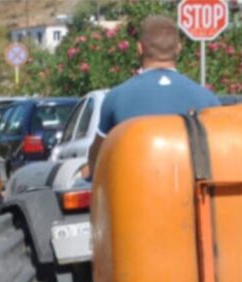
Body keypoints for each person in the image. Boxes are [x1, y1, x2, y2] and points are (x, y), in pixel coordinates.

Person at [88, 15, 221, 175]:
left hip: (135, 195)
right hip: (191, 195)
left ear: (140, 48)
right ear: (178, 48)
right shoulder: (208, 99)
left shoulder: (116, 98)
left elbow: (97, 158)